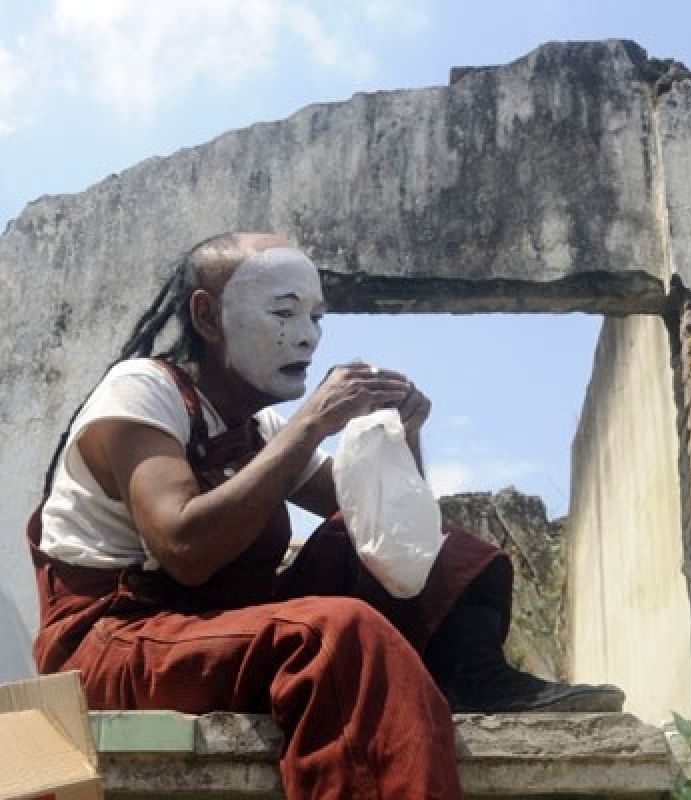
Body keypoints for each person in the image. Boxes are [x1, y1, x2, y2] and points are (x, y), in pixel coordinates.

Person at [28, 232, 623, 800]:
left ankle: (476, 679)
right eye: (283, 312)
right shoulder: (141, 391)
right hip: (116, 644)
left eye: (315, 317)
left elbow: (386, 525)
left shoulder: (259, 428)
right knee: (334, 634)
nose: (308, 338)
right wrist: (314, 422)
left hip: (219, 627)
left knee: (438, 550)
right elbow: (183, 547)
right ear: (208, 318)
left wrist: (401, 436)